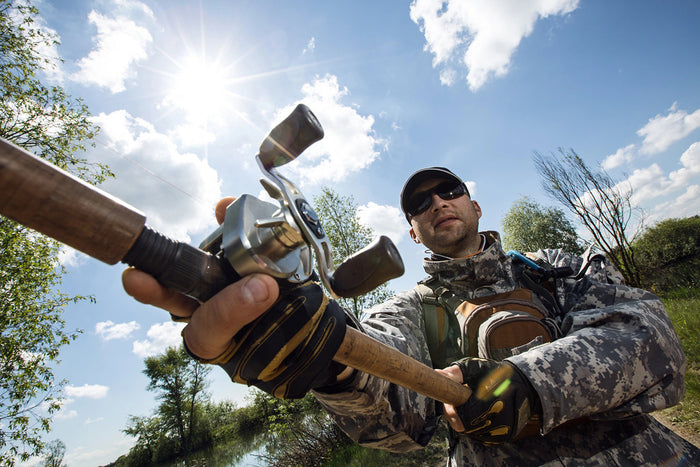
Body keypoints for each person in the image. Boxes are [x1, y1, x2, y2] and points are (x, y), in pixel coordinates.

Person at [123, 167, 699, 465]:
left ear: (473, 204)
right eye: (419, 204)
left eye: (448, 191)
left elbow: (651, 338)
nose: (436, 202)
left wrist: (525, 385)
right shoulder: (408, 309)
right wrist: (323, 359)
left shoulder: (553, 267)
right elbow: (387, 406)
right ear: (412, 230)